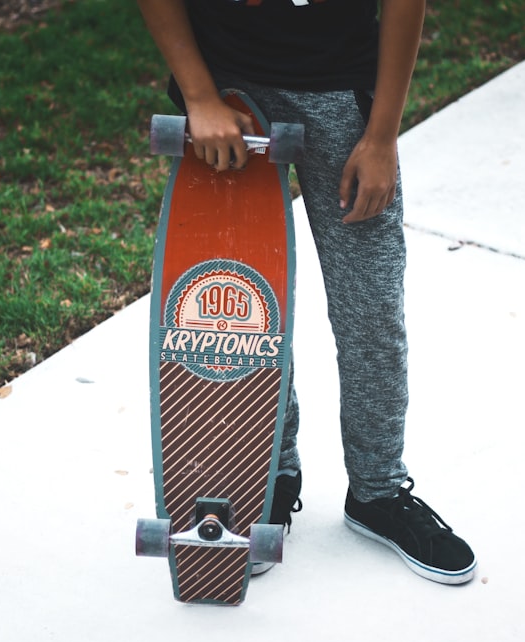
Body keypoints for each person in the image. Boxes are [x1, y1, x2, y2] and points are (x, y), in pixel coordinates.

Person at [136, 0, 477, 585]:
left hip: (340, 93)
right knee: (248, 308)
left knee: (369, 305)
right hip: (231, 95)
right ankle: (271, 473)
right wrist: (198, 96)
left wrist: (382, 136)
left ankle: (377, 489)